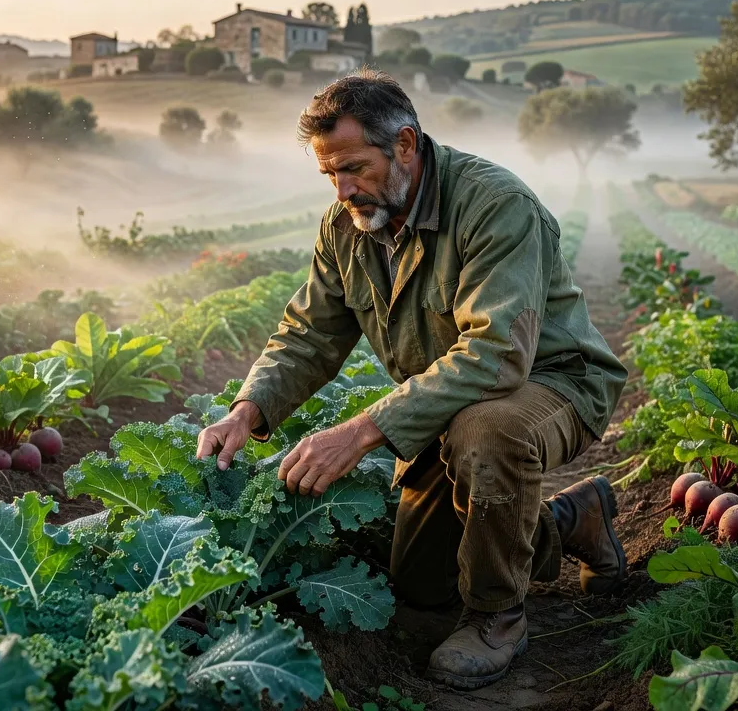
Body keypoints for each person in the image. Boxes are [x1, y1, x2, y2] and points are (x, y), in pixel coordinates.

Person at [195, 69, 629, 691]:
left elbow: (498, 355)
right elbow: (310, 335)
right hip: (446, 404)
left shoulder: (494, 205)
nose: (343, 189)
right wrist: (247, 410)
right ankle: (570, 519)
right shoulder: (348, 225)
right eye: (329, 174)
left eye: (354, 168)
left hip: (552, 382)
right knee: (422, 594)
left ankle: (498, 617)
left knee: (486, 432)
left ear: (404, 144)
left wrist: (364, 430)